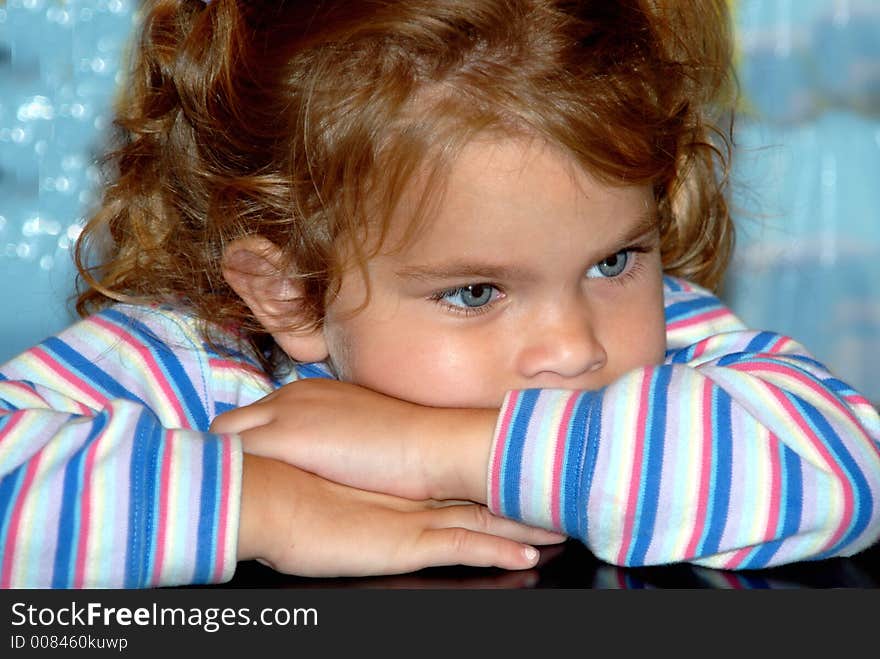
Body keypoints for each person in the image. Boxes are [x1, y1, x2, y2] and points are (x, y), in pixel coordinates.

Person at [1, 0, 878, 589]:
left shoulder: (674, 339)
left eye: (615, 262)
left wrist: (444, 449)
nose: (576, 344)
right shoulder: (193, 368)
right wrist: (264, 505)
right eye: (475, 291)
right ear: (293, 295)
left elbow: (848, 467)